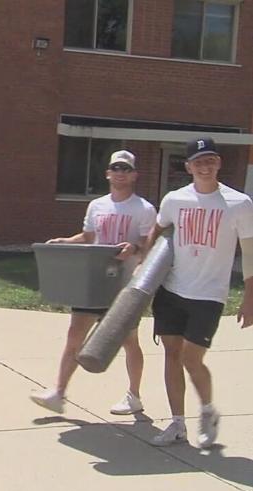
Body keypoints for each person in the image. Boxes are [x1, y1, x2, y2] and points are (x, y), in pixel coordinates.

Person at [143, 137, 253, 448]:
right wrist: (145, 262)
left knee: (192, 359)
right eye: (199, 162)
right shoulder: (175, 200)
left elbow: (250, 251)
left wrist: (250, 296)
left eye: (211, 160)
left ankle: (207, 411)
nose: (205, 166)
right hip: (172, 290)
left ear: (218, 163)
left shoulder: (239, 203)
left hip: (209, 295)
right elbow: (158, 227)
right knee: (171, 354)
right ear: (189, 167)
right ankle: (177, 423)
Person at [31, 150, 156, 415]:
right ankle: (58, 393)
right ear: (108, 173)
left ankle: (134, 396)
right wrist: (67, 241)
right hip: (92, 284)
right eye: (116, 168)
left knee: (129, 342)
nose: (120, 173)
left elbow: (149, 246)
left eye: (125, 169)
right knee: (74, 336)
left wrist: (133, 248)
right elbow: (89, 236)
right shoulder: (97, 205)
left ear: (134, 175)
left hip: (123, 287)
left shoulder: (144, 209)